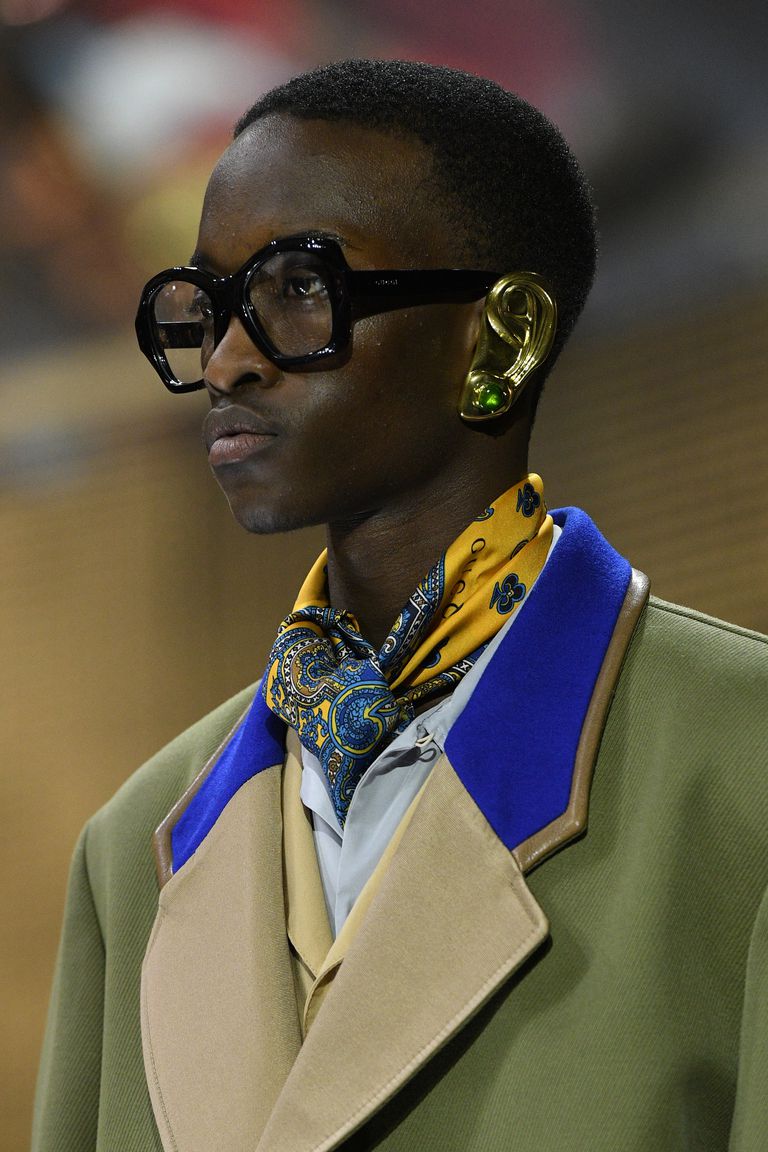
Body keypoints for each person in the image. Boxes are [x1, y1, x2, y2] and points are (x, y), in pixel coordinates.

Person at [33, 59, 768, 1152]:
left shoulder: (743, 767)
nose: (227, 362)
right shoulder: (131, 849)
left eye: (298, 289)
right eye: (211, 306)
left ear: (503, 337)